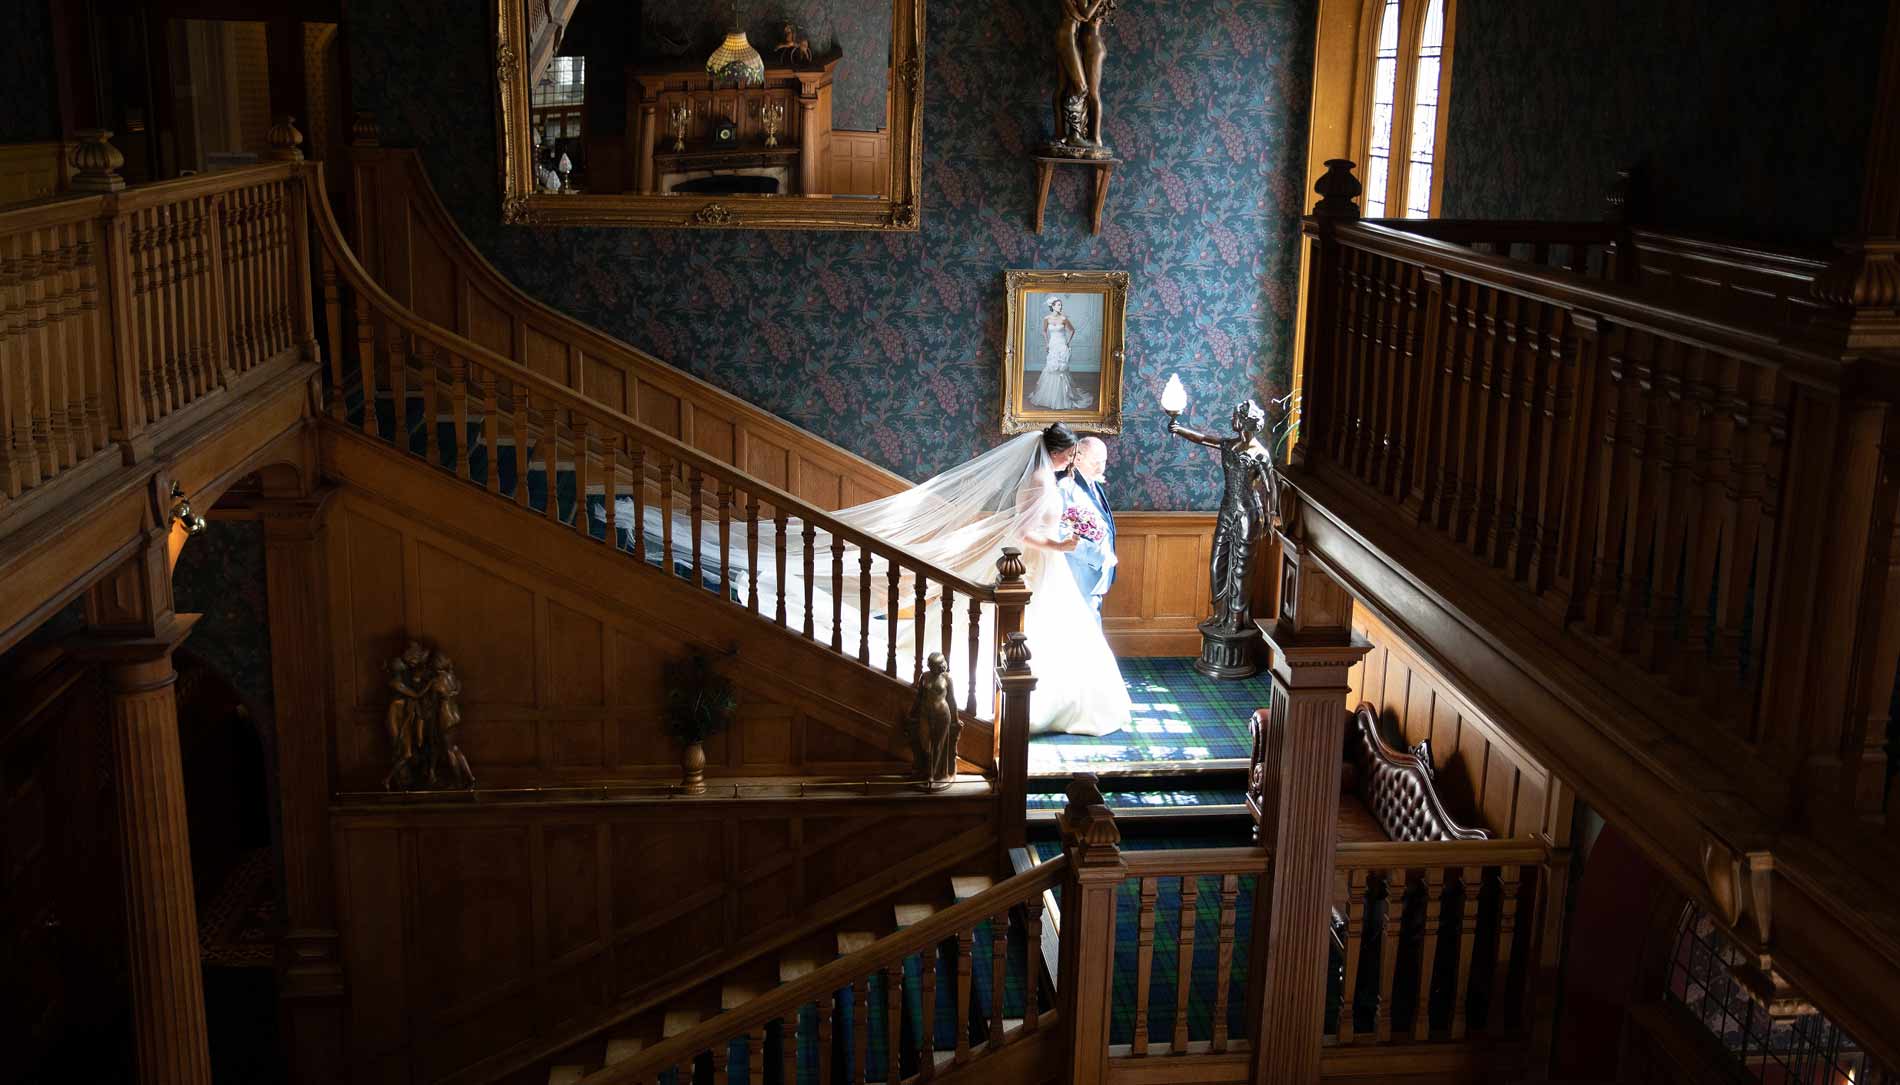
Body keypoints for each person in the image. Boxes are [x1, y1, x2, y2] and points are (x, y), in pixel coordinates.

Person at [606, 422, 1131, 737]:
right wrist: (1063, 543)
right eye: (1070, 456)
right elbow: (1024, 532)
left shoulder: (1044, 477)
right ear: (1058, 453)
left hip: (1038, 569)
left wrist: (1064, 536)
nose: (1071, 463)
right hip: (1036, 565)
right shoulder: (1041, 480)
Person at [1057, 435, 1117, 622]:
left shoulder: (1093, 484)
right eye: (1095, 462)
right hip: (1078, 570)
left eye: (1103, 462)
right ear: (1078, 458)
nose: (1101, 468)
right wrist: (1097, 556)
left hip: (1096, 571)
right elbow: (1061, 532)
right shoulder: (1066, 488)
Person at [1030, 298, 1091, 410]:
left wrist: (1067, 343)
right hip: (1052, 345)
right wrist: (1047, 343)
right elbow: (1044, 331)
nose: (1060, 307)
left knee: (1061, 369)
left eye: (1061, 305)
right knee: (1051, 368)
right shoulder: (1047, 318)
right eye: (1058, 305)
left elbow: (1072, 330)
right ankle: (1049, 396)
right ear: (1052, 306)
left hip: (1062, 345)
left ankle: (1063, 397)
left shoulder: (1064, 318)